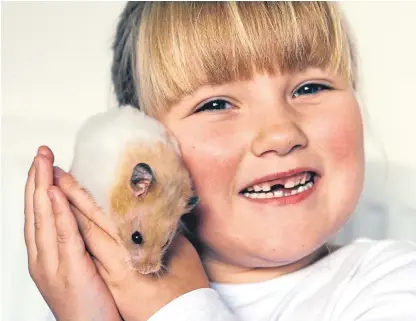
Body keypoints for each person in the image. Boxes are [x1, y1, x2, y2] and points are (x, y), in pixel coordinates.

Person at [24, 2, 416, 321]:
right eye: (216, 104)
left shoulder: (396, 282)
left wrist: (174, 308)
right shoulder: (83, 301)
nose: (281, 133)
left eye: (309, 87)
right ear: (145, 146)